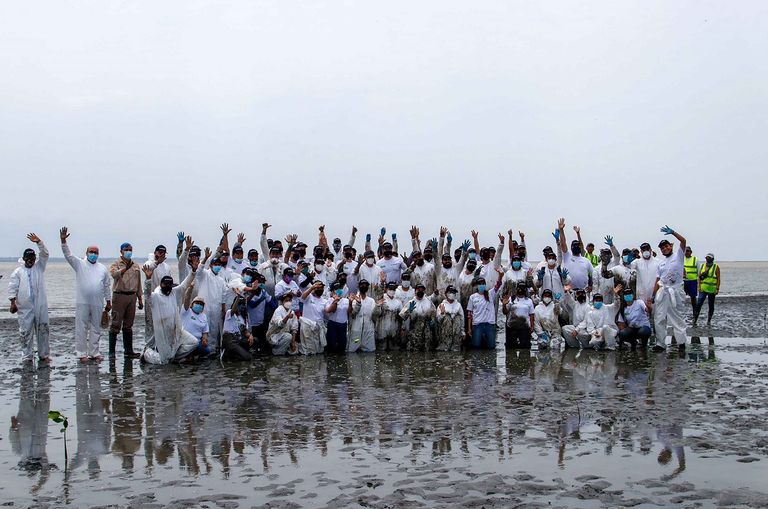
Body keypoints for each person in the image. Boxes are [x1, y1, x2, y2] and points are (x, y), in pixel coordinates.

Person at [60, 227, 111, 362]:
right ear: (87, 253)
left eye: (96, 252)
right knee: (81, 327)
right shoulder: (80, 264)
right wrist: (63, 241)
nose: (93, 254)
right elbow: (68, 255)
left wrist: (109, 301)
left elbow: (106, 285)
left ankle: (95, 352)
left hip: (97, 302)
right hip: (82, 301)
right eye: (91, 252)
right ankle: (81, 353)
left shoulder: (102, 268)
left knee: (96, 327)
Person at [141, 267, 199, 365]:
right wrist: (148, 279)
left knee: (194, 343)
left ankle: (174, 357)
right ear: (161, 284)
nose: (167, 286)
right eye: (165, 284)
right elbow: (146, 294)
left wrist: (193, 271)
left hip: (176, 329)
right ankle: (147, 354)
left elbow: (184, 285)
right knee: (164, 362)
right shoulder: (155, 297)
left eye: (169, 284)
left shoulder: (173, 293)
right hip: (162, 331)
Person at [7, 233, 50, 364]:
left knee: (43, 329)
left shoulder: (39, 267)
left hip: (40, 305)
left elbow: (45, 254)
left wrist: (39, 242)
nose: (31, 260)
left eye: (33, 258)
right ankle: (27, 356)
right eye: (28, 258)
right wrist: (12, 302)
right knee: (25, 331)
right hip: (24, 307)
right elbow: (12, 287)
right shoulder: (18, 272)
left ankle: (44, 355)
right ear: (24, 259)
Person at [652, 225, 689, 351]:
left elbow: (683, 241)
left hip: (675, 291)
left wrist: (673, 232)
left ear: (671, 246)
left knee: (677, 317)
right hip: (662, 292)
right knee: (659, 318)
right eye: (662, 248)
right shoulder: (661, 263)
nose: (665, 249)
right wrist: (653, 294)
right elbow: (658, 280)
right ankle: (660, 344)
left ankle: (681, 343)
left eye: (666, 246)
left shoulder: (678, 256)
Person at [108, 242, 143, 359]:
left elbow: (138, 283)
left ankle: (128, 351)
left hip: (132, 296)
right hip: (119, 295)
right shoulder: (116, 264)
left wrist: (140, 299)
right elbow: (113, 275)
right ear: (121, 251)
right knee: (115, 324)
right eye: (126, 249)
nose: (129, 251)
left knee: (128, 325)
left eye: (130, 249)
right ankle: (111, 352)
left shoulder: (136, 265)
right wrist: (124, 269)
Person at [194, 248, 228, 352]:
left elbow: (223, 296)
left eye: (219, 264)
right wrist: (205, 258)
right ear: (211, 265)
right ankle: (201, 350)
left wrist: (223, 310)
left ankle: (212, 350)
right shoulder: (205, 274)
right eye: (215, 264)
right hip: (205, 309)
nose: (217, 266)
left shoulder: (221, 280)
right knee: (203, 329)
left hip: (216, 309)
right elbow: (198, 271)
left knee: (214, 330)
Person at [466, 271, 502, 349]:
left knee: (491, 347)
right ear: (476, 286)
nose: (481, 285)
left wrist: (500, 275)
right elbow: (469, 314)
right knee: (476, 347)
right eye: (480, 284)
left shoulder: (490, 294)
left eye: (483, 283)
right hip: (477, 325)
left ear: (485, 285)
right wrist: (469, 328)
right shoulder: (472, 297)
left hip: (490, 324)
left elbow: (498, 285)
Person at [557, 220, 594, 293]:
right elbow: (563, 243)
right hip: (569, 291)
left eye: (578, 245)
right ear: (571, 248)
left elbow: (592, 275)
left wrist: (590, 286)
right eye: (574, 246)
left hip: (584, 292)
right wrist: (561, 230)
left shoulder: (586, 260)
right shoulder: (567, 256)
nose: (576, 247)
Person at [399, 282, 436, 351]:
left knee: (427, 350)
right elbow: (402, 316)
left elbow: (434, 312)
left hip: (426, 330)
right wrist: (409, 310)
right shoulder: (411, 302)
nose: (420, 291)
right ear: (415, 291)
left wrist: (432, 320)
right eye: (419, 290)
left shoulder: (428, 301)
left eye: (422, 290)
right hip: (414, 330)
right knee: (415, 350)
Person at [245, 272, 274, 354]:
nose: (262, 284)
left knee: (261, 342)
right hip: (251, 324)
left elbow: (271, 303)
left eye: (263, 282)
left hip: (261, 322)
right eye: (260, 282)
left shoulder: (264, 292)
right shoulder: (250, 292)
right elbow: (252, 305)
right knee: (252, 342)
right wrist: (261, 299)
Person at [298, 281, 328, 355]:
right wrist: (311, 288)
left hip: (318, 327)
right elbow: (302, 298)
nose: (320, 289)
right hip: (307, 326)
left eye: (321, 287)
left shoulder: (324, 301)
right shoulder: (309, 296)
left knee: (319, 350)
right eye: (318, 287)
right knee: (308, 350)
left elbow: (327, 313)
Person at [502, 283, 535, 349]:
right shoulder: (511, 299)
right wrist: (504, 305)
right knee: (511, 348)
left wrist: (532, 326)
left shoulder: (529, 301)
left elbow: (531, 314)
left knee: (525, 347)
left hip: (524, 326)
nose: (520, 290)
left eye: (522, 288)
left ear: (525, 290)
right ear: (516, 289)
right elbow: (505, 312)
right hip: (512, 326)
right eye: (519, 288)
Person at [373, 281, 404, 351]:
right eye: (390, 288)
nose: (392, 291)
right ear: (386, 289)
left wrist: (403, 328)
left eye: (393, 289)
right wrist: (378, 305)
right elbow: (375, 314)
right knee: (381, 351)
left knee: (394, 351)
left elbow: (401, 317)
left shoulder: (398, 302)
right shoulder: (381, 298)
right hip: (381, 330)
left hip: (394, 331)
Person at [221, 297, 254, 361]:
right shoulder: (229, 313)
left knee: (255, 340)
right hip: (230, 340)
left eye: (243, 304)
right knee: (248, 357)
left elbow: (245, 331)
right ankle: (228, 354)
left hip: (238, 339)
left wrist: (250, 336)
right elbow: (233, 309)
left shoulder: (241, 318)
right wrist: (238, 297)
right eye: (239, 304)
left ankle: (234, 354)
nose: (241, 306)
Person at [348, 279, 376, 352]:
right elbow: (352, 314)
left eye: (366, 285)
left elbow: (375, 315)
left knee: (370, 352)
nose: (364, 286)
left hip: (368, 330)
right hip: (356, 330)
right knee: (352, 351)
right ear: (358, 286)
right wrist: (357, 303)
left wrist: (378, 307)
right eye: (362, 285)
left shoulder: (371, 300)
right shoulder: (353, 299)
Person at [694, 253, 720, 327]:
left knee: (711, 305)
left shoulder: (716, 267)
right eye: (707, 257)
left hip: (712, 290)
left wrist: (717, 288)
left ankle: (709, 320)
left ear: (712, 259)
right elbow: (699, 277)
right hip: (703, 289)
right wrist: (699, 286)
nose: (707, 259)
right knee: (698, 304)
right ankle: (695, 319)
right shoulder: (703, 266)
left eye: (709, 257)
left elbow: (718, 278)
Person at [435, 285, 464, 351]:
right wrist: (442, 313)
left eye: (454, 292)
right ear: (446, 294)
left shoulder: (458, 305)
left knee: (457, 318)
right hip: (444, 332)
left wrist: (463, 332)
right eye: (450, 292)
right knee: (447, 317)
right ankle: (445, 345)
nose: (452, 294)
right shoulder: (442, 305)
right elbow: (438, 321)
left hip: (456, 331)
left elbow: (462, 319)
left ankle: (456, 345)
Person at [325, 281, 351, 353]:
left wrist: (351, 303)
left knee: (342, 346)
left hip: (343, 325)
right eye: (336, 288)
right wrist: (335, 301)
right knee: (332, 345)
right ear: (333, 291)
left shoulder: (346, 300)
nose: (339, 290)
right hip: (333, 324)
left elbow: (350, 312)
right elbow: (329, 310)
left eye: (340, 288)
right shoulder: (329, 300)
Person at [683, 246, 699, 312]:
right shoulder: (681, 259)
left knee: (693, 297)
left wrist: (699, 282)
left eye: (688, 251)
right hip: (683, 281)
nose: (686, 252)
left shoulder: (695, 259)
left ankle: (694, 311)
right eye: (685, 251)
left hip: (692, 281)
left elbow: (699, 271)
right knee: (680, 296)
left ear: (691, 252)